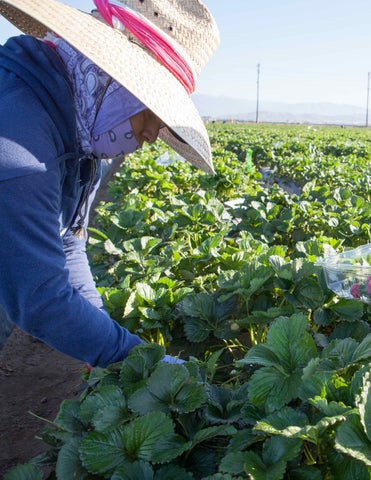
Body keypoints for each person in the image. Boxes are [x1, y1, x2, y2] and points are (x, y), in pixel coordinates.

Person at [0, 0, 219, 366]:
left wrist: (100, 329)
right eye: (151, 109)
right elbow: (38, 297)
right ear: (111, 80)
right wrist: (134, 358)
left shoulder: (72, 125)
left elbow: (68, 242)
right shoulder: (19, 145)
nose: (153, 134)